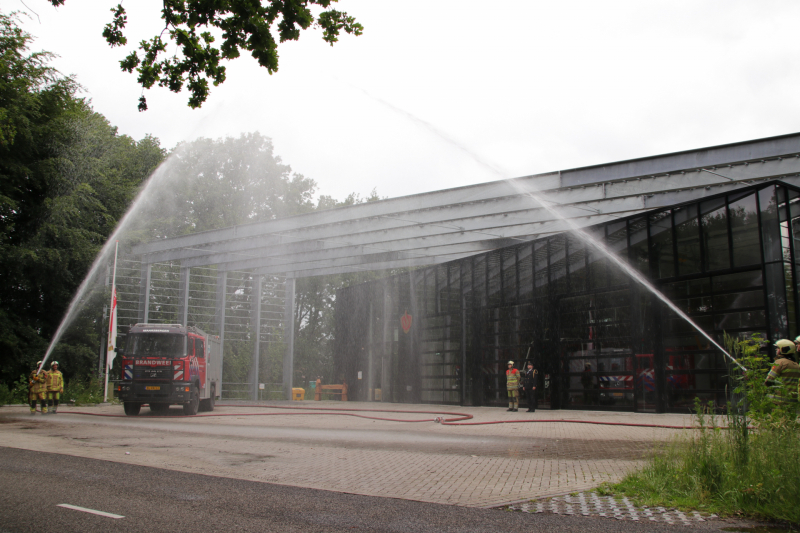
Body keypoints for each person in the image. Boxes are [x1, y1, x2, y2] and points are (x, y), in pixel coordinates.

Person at [764, 339, 800, 406]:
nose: (776, 350)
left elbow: (768, 381)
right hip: (793, 402)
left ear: (784, 349)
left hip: (778, 401)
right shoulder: (796, 365)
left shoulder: (780, 362)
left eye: (777, 348)